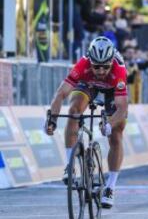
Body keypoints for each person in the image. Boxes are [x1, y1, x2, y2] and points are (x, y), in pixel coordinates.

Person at [44, 36, 128, 209]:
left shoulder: (118, 70)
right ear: (90, 60)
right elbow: (61, 94)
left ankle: (110, 187)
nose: (101, 70)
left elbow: (122, 109)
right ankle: (70, 165)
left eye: (105, 66)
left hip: (112, 91)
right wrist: (52, 119)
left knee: (117, 134)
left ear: (111, 61)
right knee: (74, 111)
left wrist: (109, 124)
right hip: (87, 85)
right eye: (96, 66)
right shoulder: (82, 65)